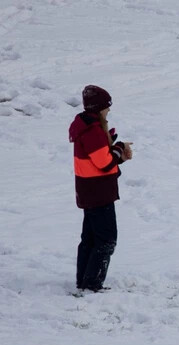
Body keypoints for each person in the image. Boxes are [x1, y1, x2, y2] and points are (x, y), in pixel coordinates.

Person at [68, 85, 133, 292]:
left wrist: (114, 151)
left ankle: (84, 281)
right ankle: (92, 284)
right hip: (98, 194)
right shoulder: (92, 131)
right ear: (98, 108)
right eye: (106, 107)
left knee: (90, 238)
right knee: (106, 240)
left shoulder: (88, 127)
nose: (109, 111)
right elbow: (104, 163)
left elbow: (99, 163)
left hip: (91, 190)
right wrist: (118, 148)